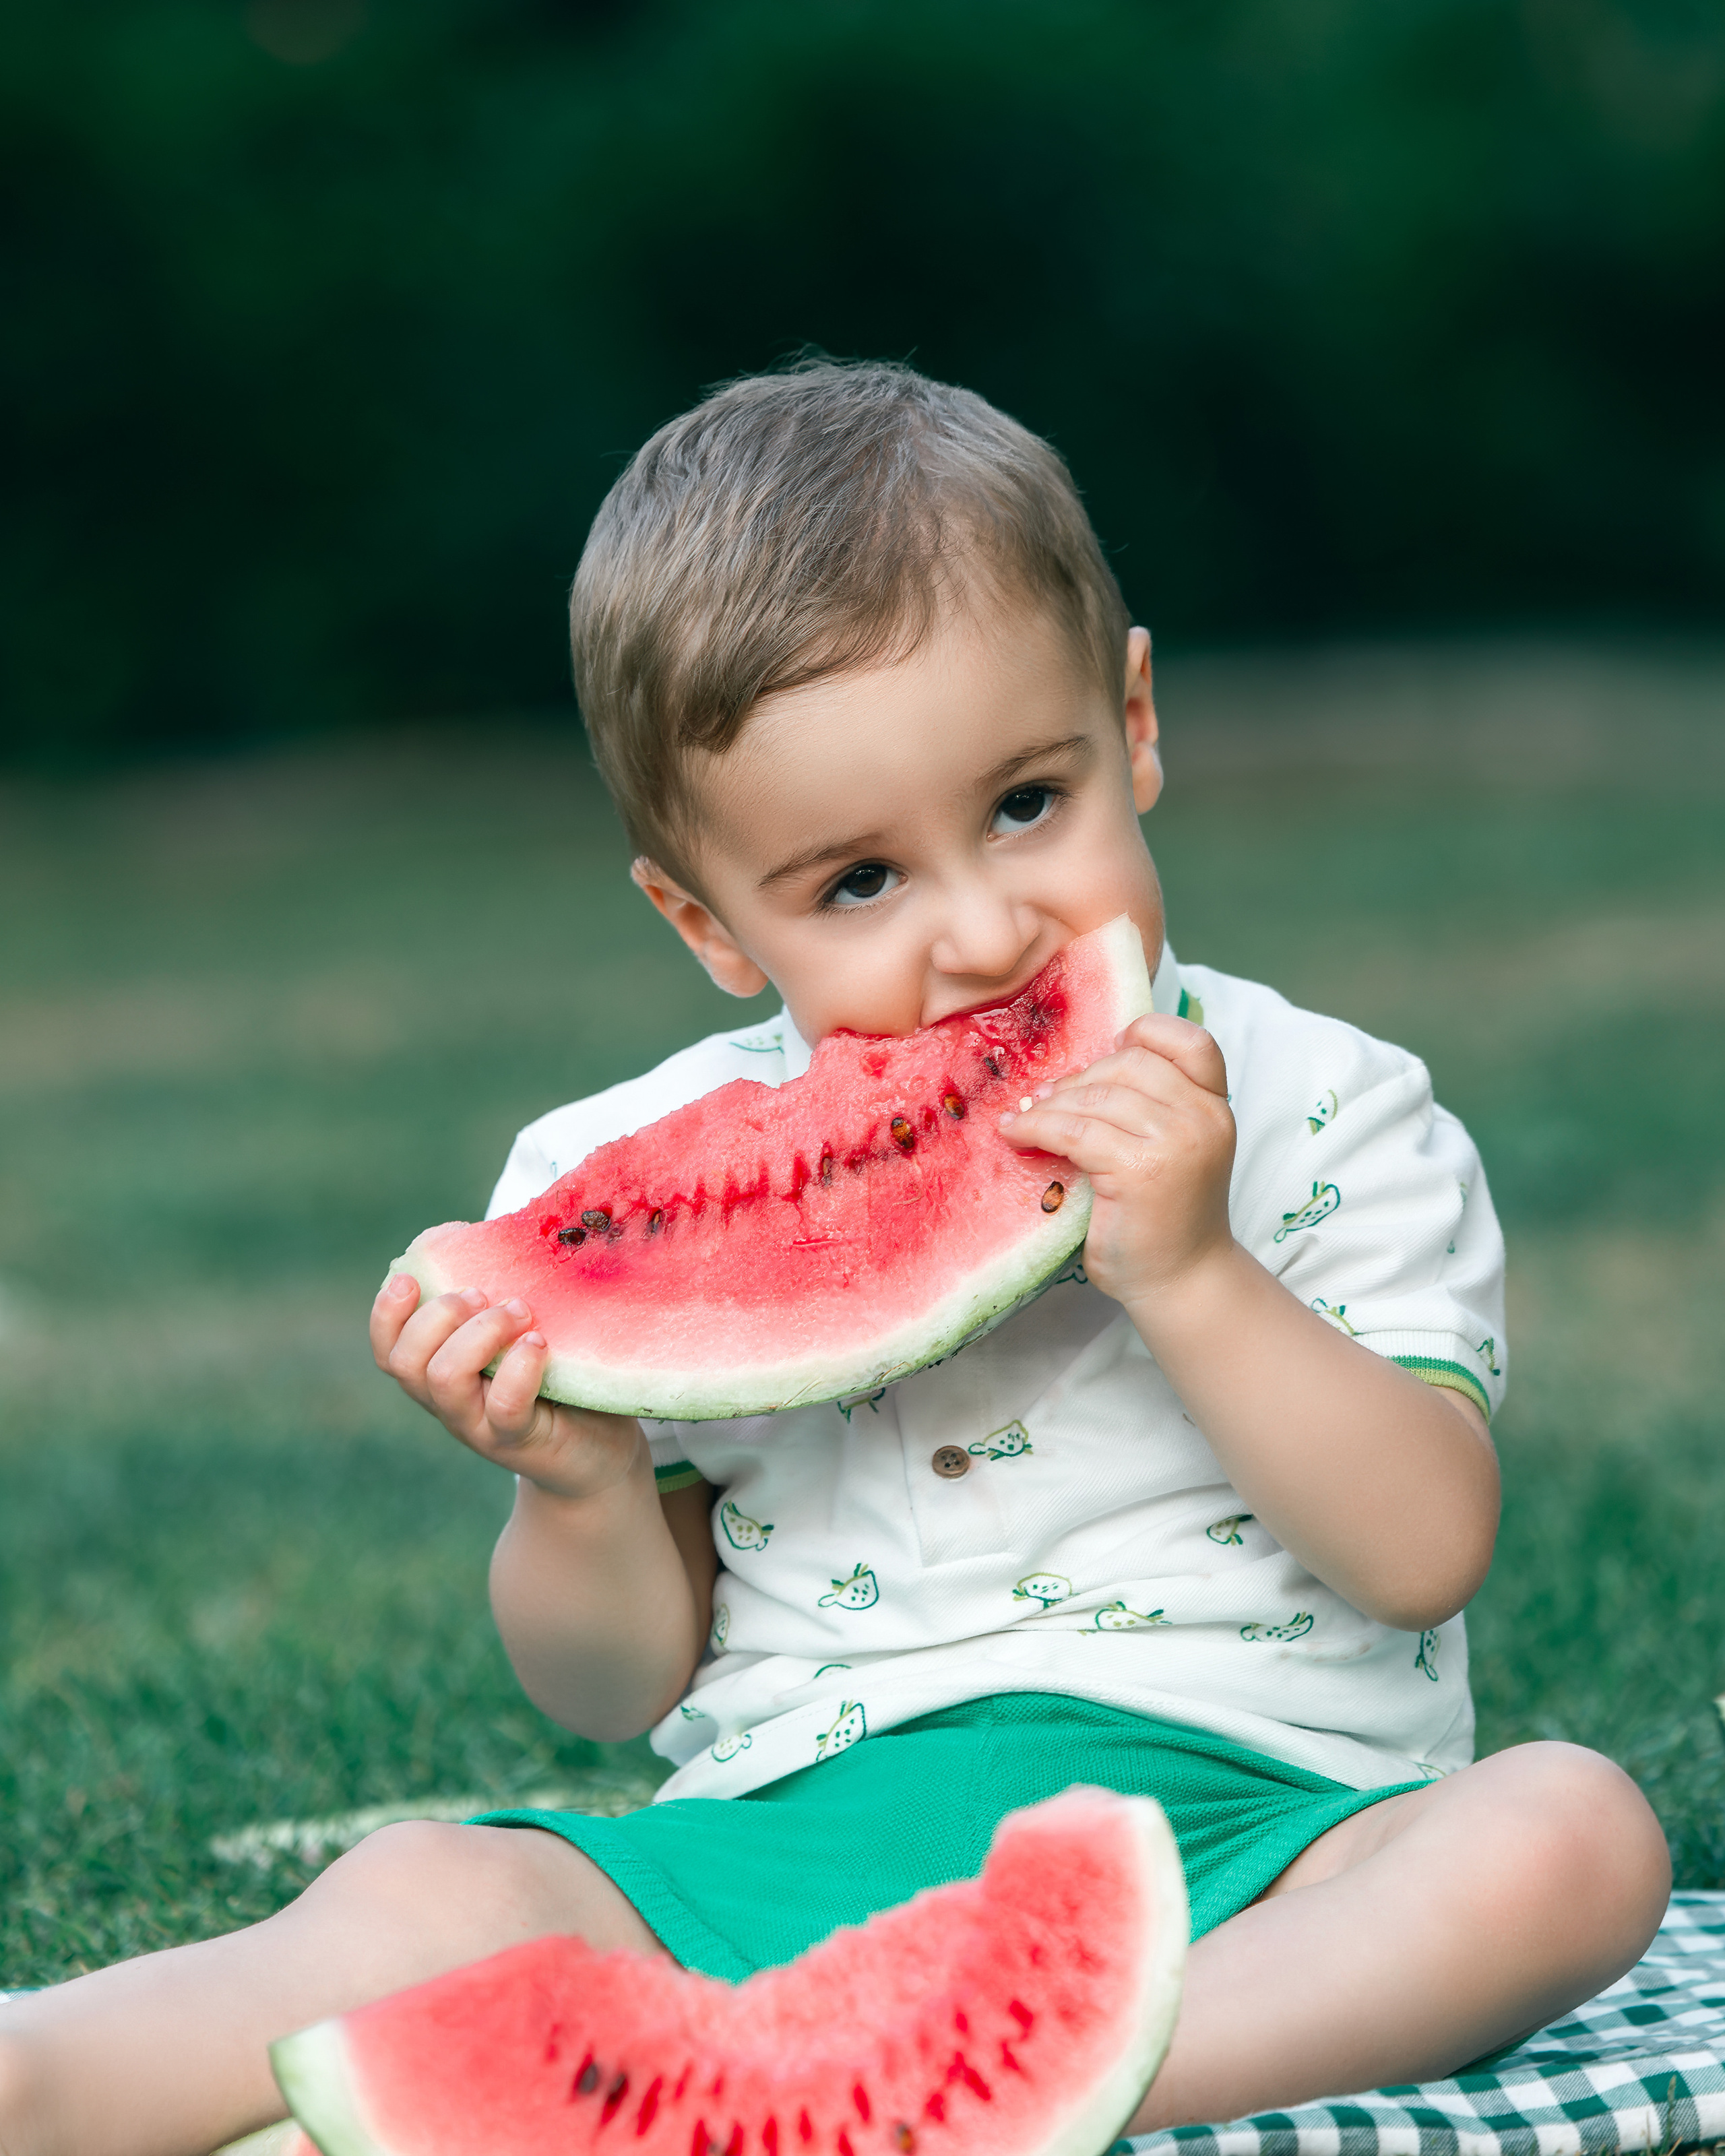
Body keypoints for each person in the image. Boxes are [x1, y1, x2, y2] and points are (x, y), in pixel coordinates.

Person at [0, 363, 1670, 2156]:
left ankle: (1029, 2087)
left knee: (1569, 1838)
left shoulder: (1333, 1108)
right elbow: (607, 1688)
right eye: (856, 884)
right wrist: (572, 1491)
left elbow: (1423, 1550)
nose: (979, 931)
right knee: (424, 1891)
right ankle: (41, 2073)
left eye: (1029, 803)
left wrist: (1194, 1273)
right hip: (780, 1847)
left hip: (1268, 1835)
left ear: (1136, 721)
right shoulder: (598, 1185)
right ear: (708, 921)